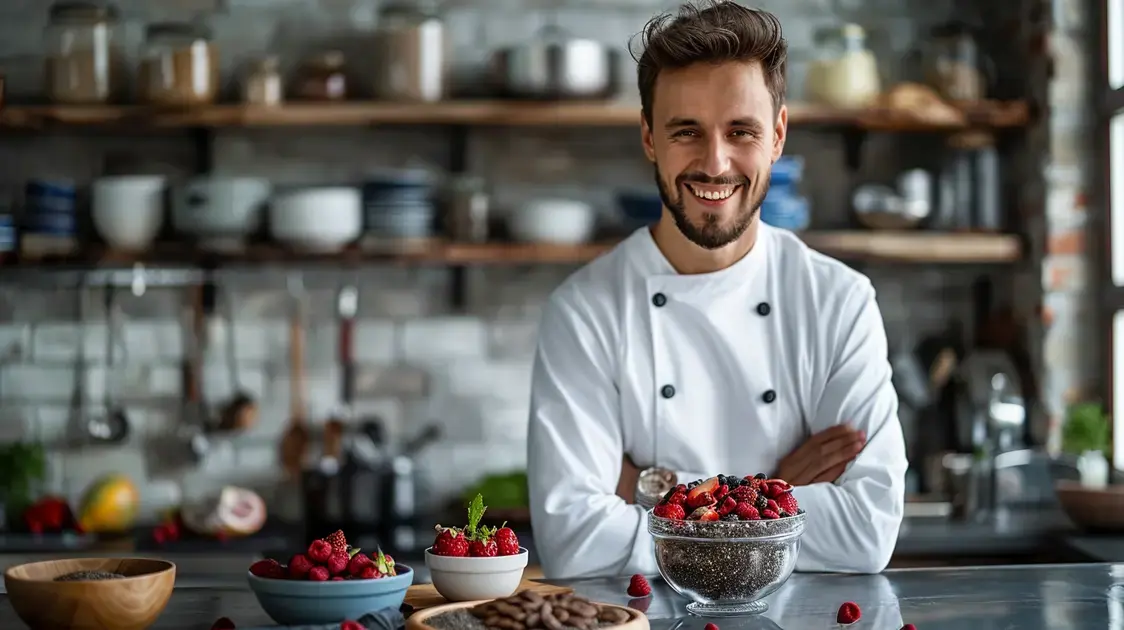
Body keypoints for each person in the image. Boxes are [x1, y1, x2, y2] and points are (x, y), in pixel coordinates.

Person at [526, 0, 907, 579]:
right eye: (686, 132)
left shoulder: (839, 303)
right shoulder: (584, 312)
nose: (715, 162)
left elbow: (867, 531)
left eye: (741, 131)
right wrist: (778, 494)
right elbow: (573, 541)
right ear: (650, 137)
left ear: (777, 136)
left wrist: (653, 490)